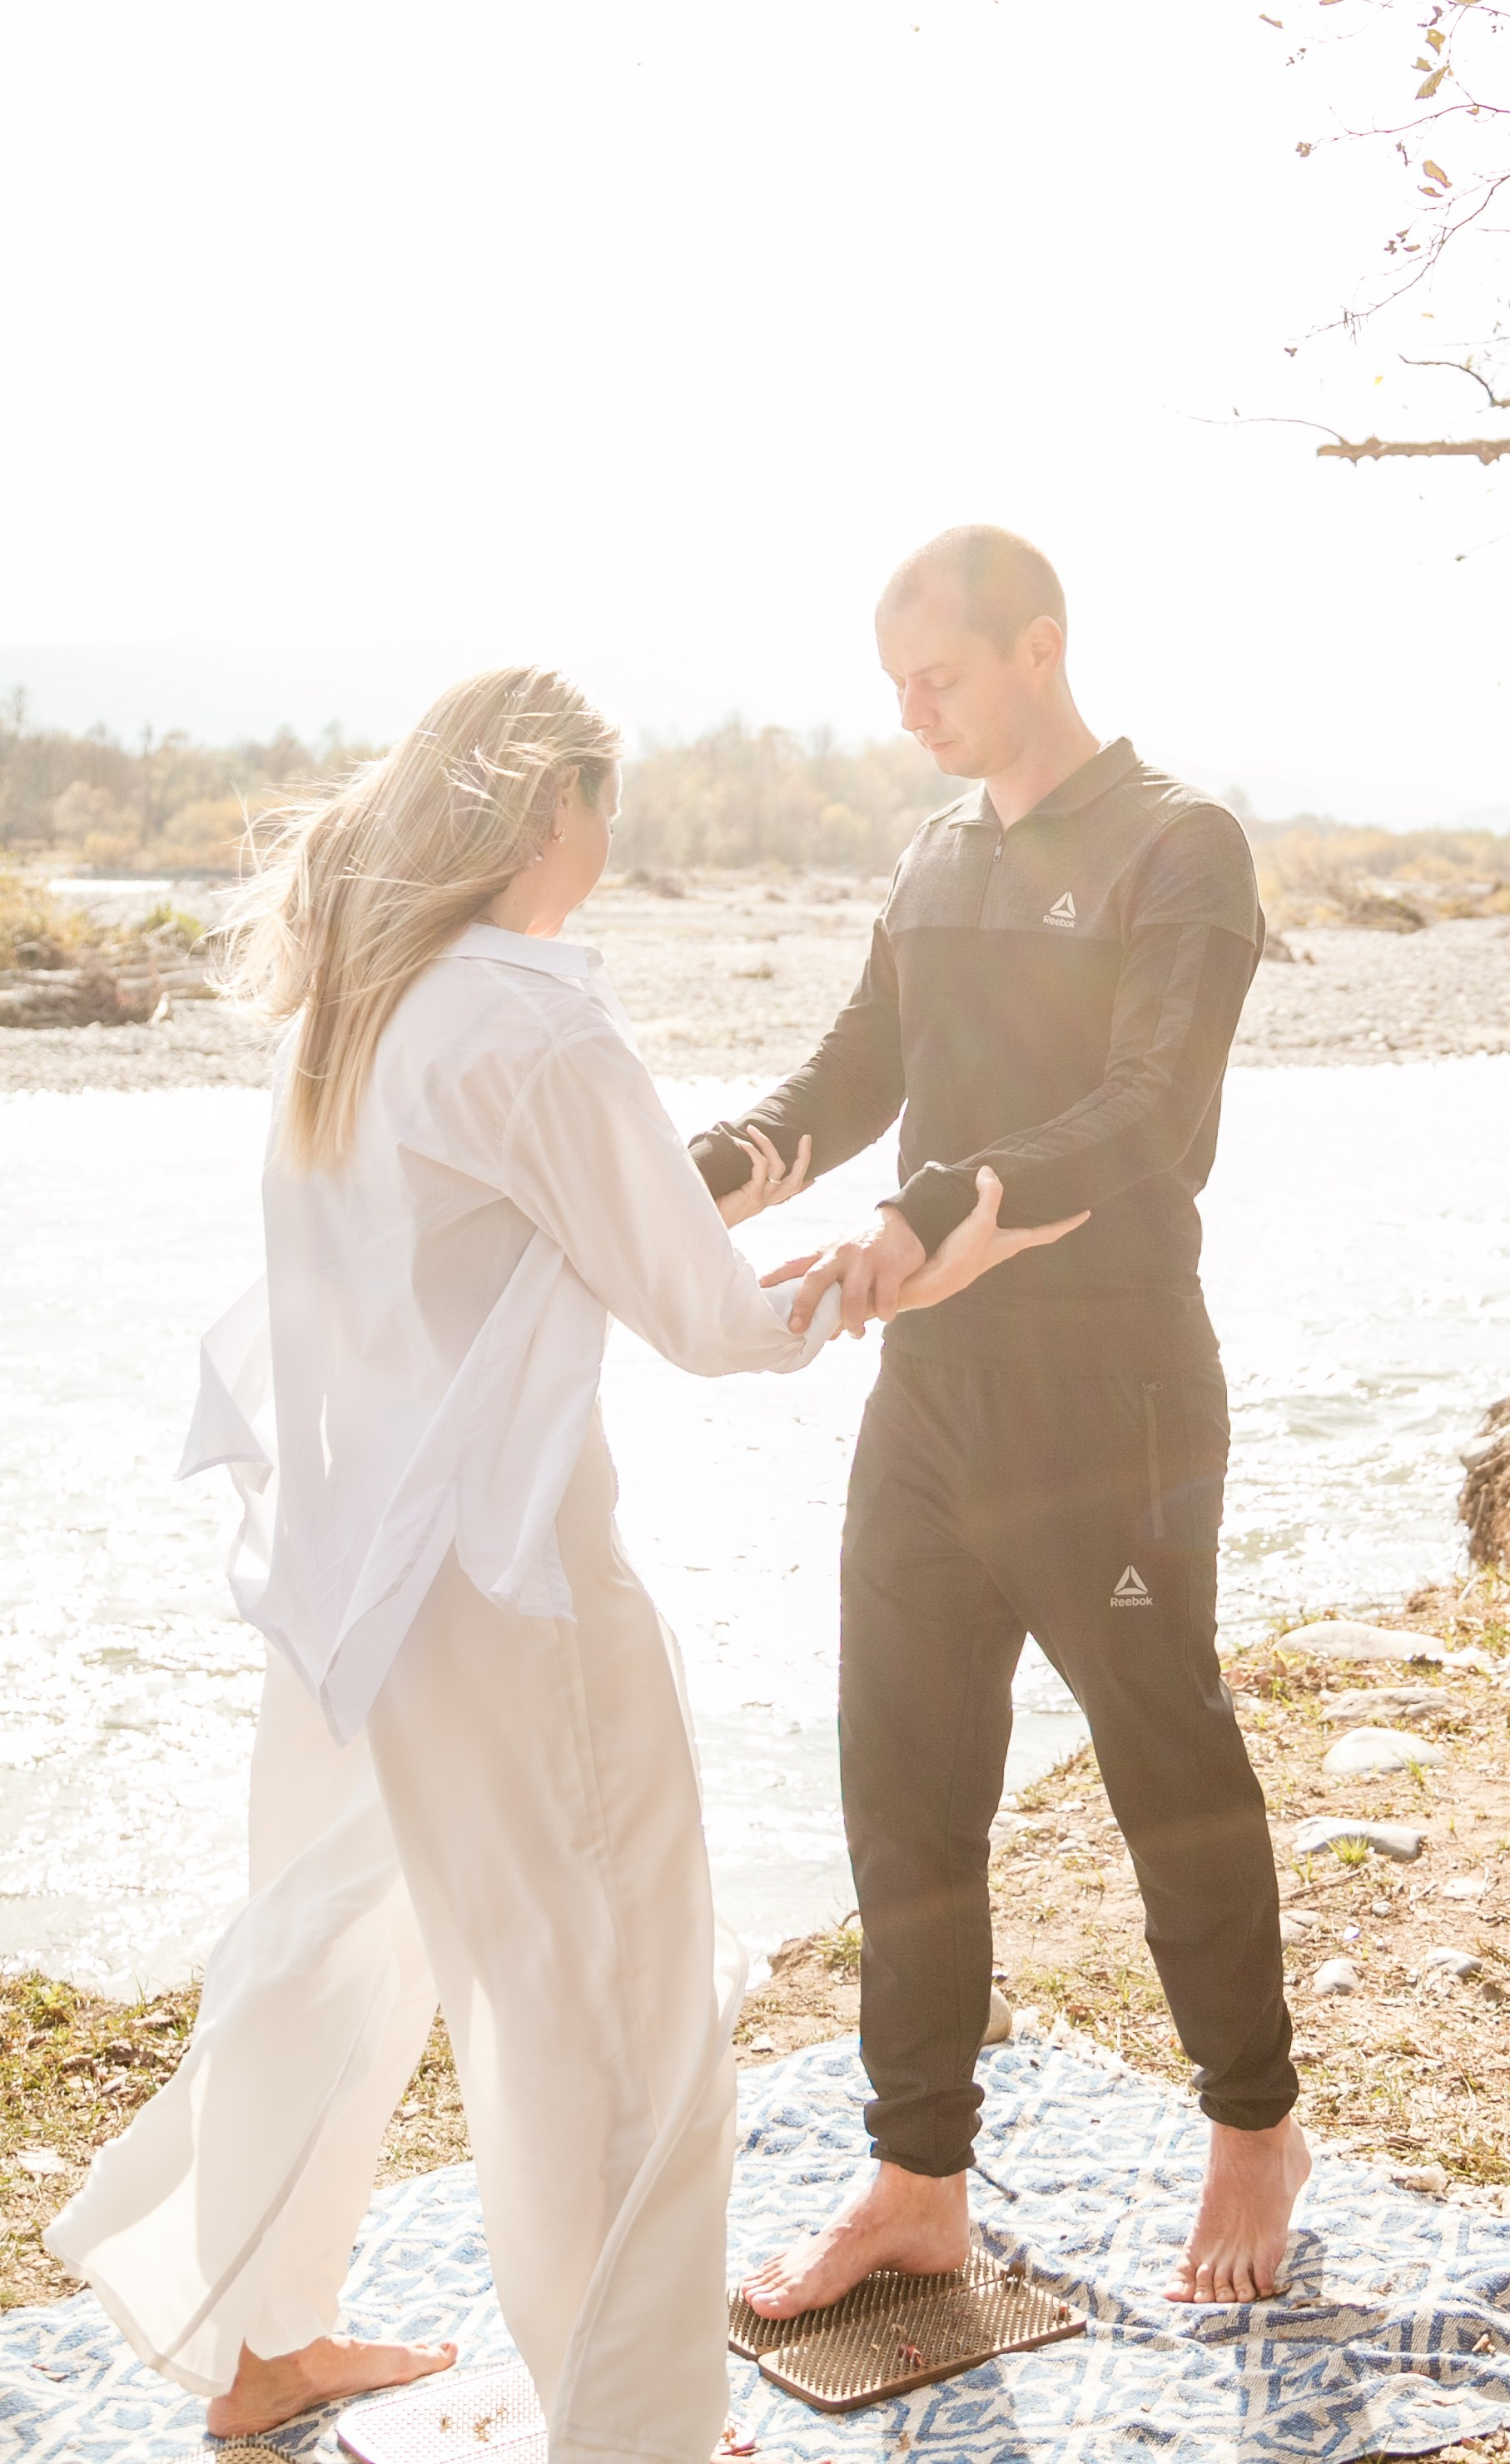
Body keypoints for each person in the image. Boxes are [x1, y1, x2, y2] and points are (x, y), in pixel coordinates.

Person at [48, 666, 1072, 2464]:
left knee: (349, 1946)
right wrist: (920, 1264)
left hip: (350, 1586)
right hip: (508, 1592)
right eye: (611, 800)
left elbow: (535, 1243)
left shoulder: (366, 1010)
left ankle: (266, 2348)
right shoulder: (529, 1015)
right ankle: (636, 2431)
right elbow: (705, 1319)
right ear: (551, 811)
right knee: (608, 1997)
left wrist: (718, 1215)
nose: (619, 833)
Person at [691, 528, 1308, 2318]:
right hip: (932, 1401)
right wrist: (683, 1183)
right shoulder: (935, 854)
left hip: (1108, 1387)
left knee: (1163, 1762)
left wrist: (938, 1202)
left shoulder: (1176, 843)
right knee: (903, 1781)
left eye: (936, 677)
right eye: (891, 685)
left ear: (1039, 647)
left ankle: (1253, 2118)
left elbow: (1145, 1117)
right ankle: (914, 2179)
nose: (908, 714)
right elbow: (842, 1080)